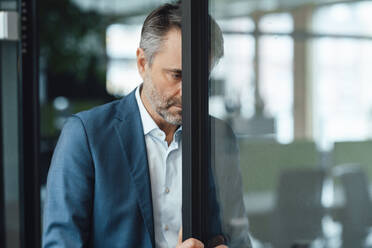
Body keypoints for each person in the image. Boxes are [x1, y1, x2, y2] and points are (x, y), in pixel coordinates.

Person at [43, 1, 251, 248]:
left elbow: (236, 234)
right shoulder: (87, 135)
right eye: (177, 75)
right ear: (143, 63)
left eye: (200, 77)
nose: (189, 93)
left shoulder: (219, 136)